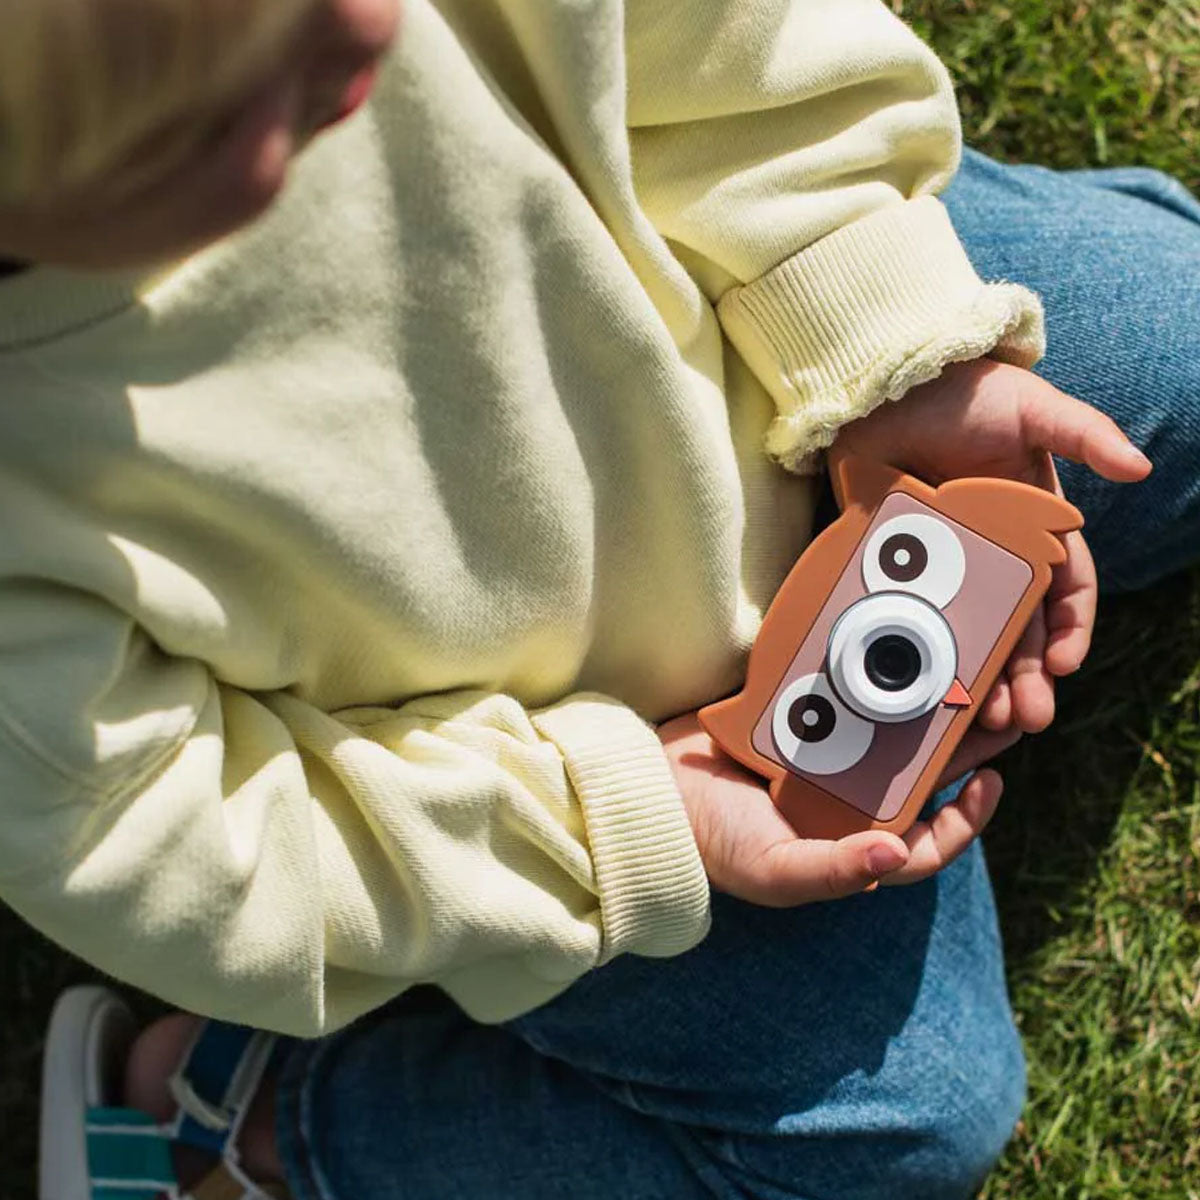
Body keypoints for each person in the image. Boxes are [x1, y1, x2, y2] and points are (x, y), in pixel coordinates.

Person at [4, 1, 1194, 1197]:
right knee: (905, 1124)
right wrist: (619, 830)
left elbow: (721, 43)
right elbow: (192, 846)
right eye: (237, 104)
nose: (370, 29)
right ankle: (228, 1114)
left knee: (1174, 338)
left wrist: (885, 327)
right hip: (617, 771)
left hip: (760, 288)